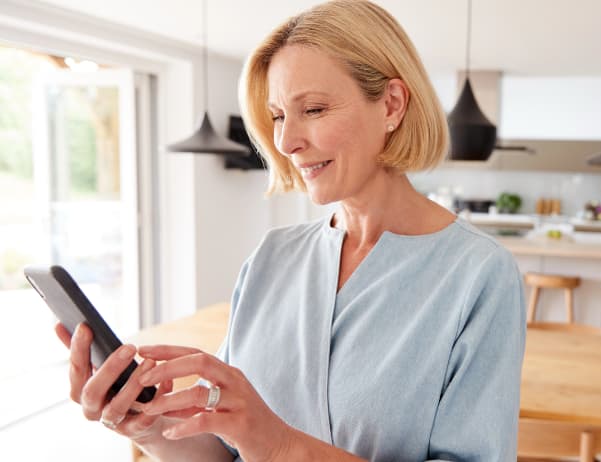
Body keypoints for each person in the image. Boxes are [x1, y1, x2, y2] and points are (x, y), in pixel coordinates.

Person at [54, 1, 526, 460]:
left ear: (392, 105)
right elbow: (225, 451)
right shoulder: (272, 256)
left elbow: (265, 442)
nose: (285, 141)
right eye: (279, 115)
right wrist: (150, 427)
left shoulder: (479, 275)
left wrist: (279, 445)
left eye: (314, 109)